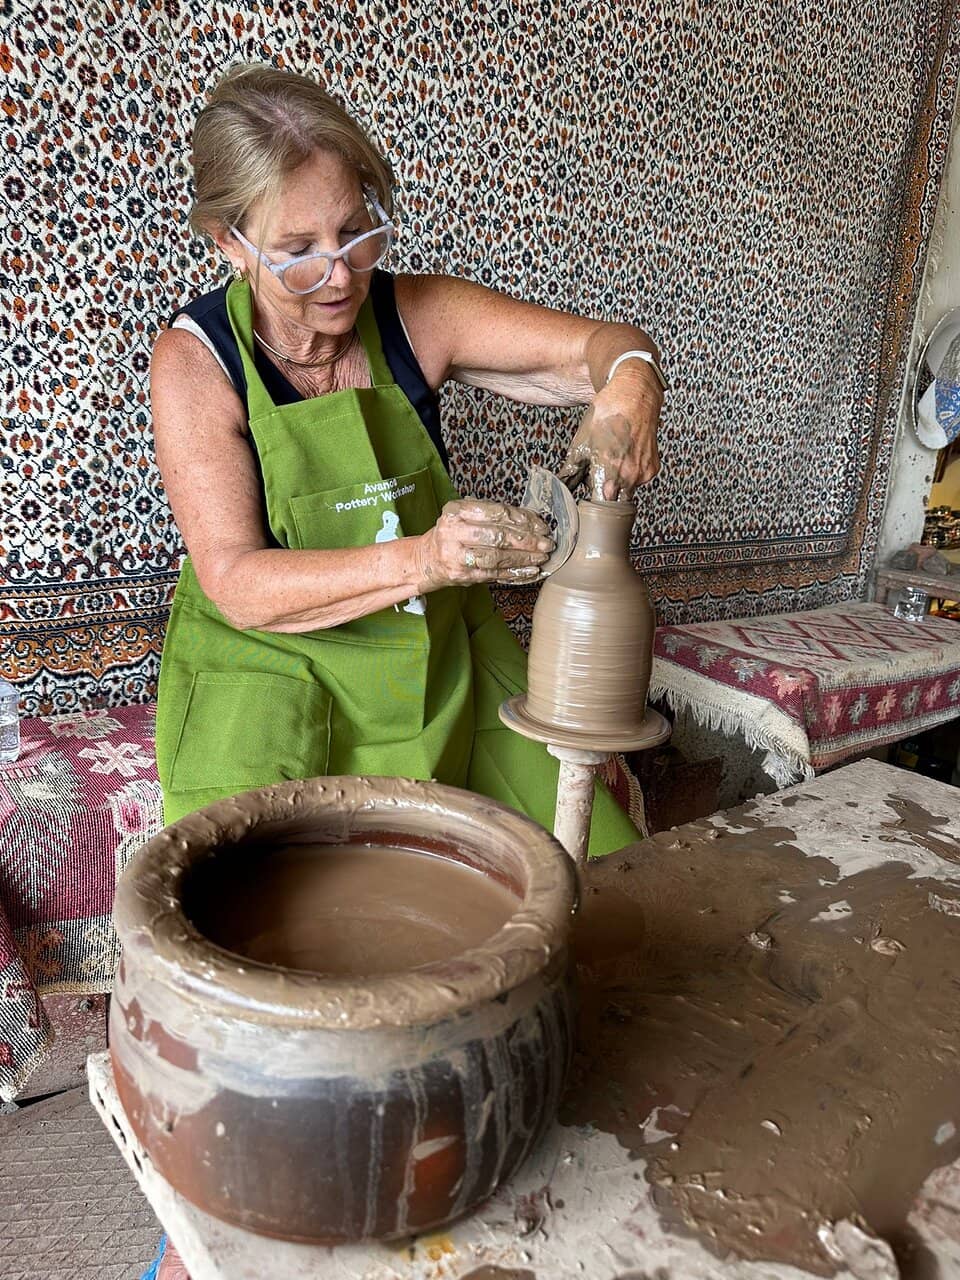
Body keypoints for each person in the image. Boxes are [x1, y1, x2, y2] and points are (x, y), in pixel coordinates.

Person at [146, 58, 663, 1280]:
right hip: (275, 663)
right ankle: (231, 1225)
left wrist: (628, 381)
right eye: (300, 251)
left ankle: (540, 1146)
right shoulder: (196, 363)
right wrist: (429, 553)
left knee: (601, 882)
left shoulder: (409, 311)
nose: (340, 275)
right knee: (273, 970)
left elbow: (601, 347)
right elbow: (235, 577)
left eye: (356, 230)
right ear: (230, 241)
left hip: (432, 648)